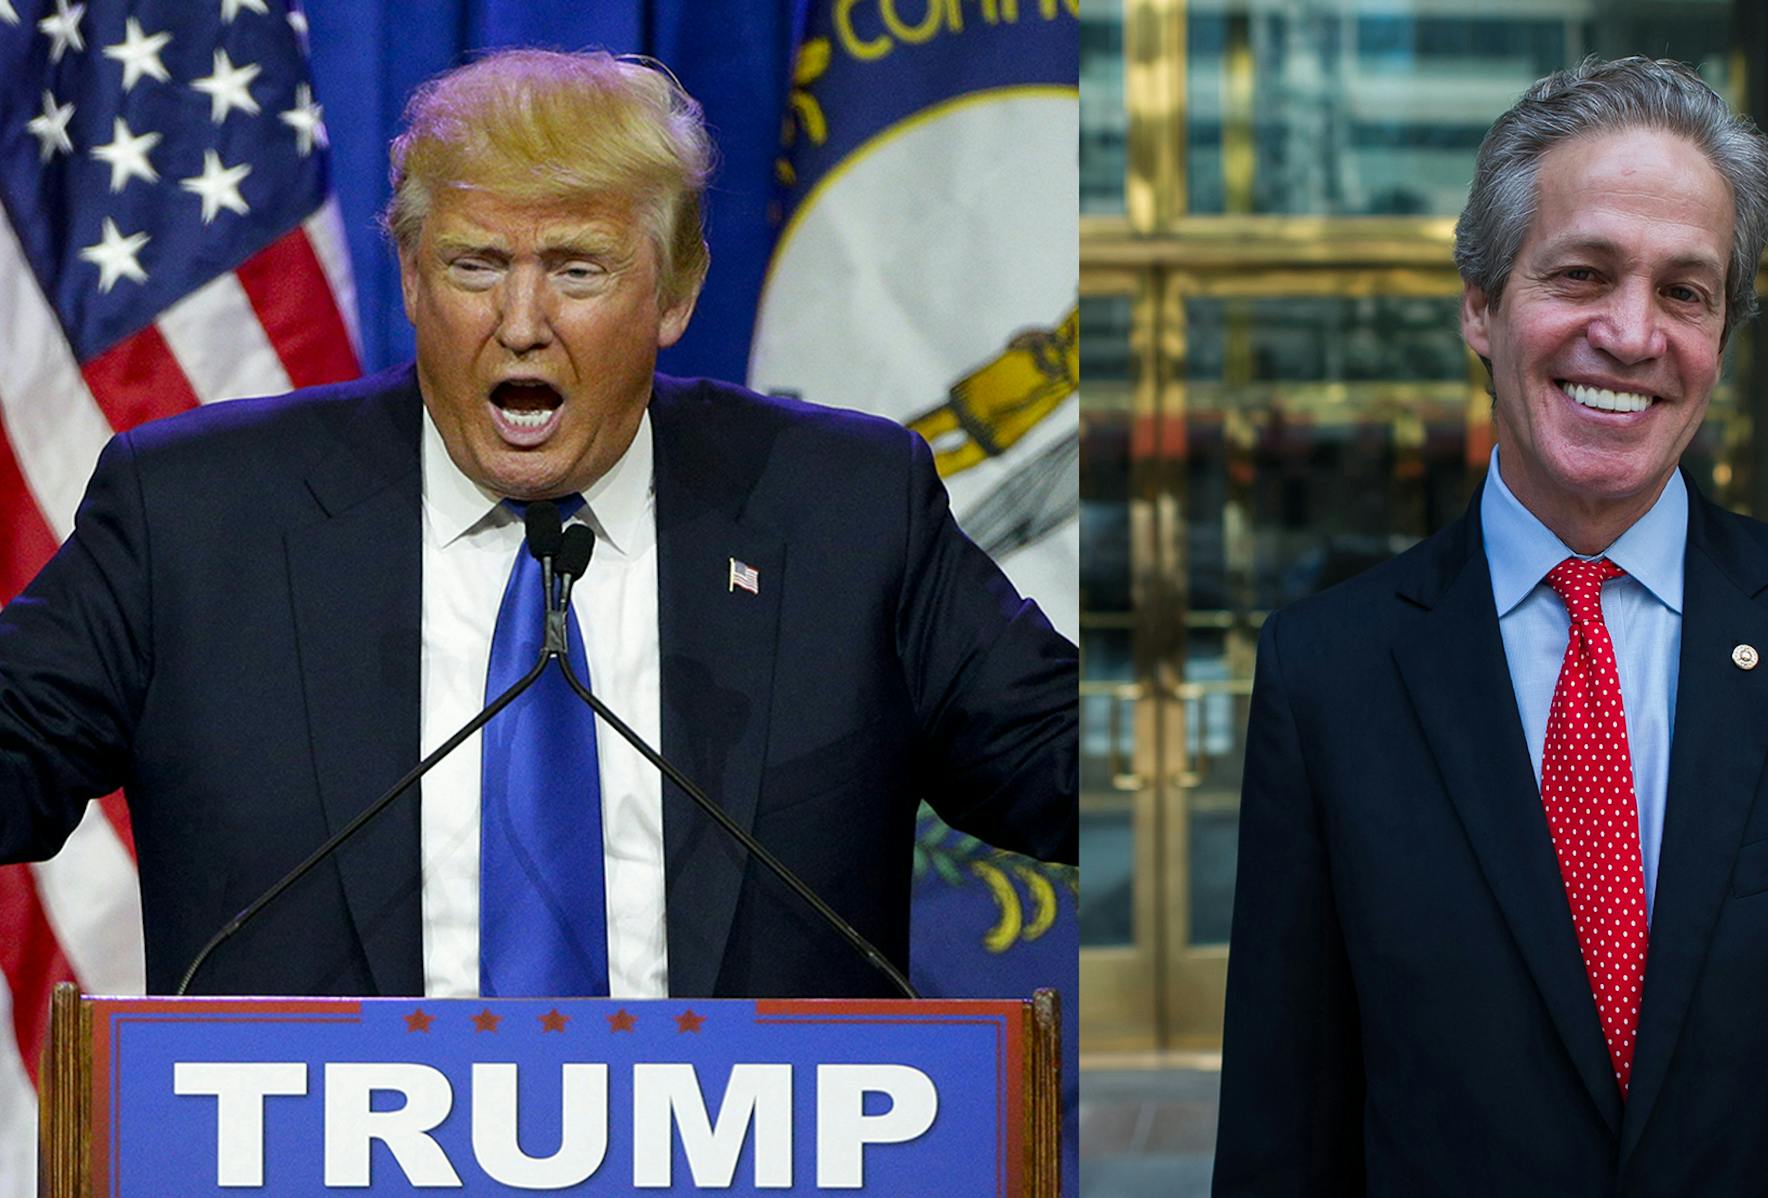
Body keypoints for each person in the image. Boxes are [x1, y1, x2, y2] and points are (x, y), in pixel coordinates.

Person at [0, 49, 1075, 1001]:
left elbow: (1064, 764)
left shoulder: (842, 508)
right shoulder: (198, 514)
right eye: (475, 265)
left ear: (676, 290)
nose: (521, 322)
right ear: (414, 280)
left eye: (575, 268)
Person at [1212, 57, 1768, 1195]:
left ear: (1722, 332)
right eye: (1582, 272)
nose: (1631, 333)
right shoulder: (1328, 672)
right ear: (1480, 304)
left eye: (1685, 291)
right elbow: (1285, 1129)